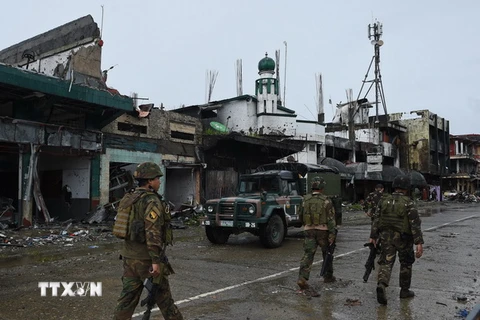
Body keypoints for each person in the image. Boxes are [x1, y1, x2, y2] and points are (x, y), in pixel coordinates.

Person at [113, 162, 183, 320]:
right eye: (157, 178)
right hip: (146, 260)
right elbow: (152, 232)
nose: (159, 182)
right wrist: (155, 261)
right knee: (165, 301)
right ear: (150, 181)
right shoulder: (151, 201)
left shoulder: (130, 197)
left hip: (129, 258)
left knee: (126, 301)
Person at [369, 175, 424, 305]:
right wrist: (419, 243)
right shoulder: (408, 203)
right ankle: (404, 291)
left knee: (386, 262)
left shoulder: (383, 201)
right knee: (406, 263)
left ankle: (382, 284)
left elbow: (376, 219)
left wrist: (373, 236)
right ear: (406, 188)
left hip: (386, 237)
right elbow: (415, 224)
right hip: (404, 238)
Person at [297, 178, 337, 297]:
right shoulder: (326, 201)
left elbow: (300, 215)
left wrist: (305, 225)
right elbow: (331, 219)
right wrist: (332, 234)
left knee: (308, 255)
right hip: (323, 232)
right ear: (322, 188)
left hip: (309, 230)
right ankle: (328, 276)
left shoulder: (305, 200)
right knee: (327, 254)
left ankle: (302, 278)